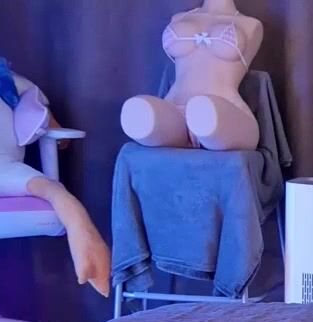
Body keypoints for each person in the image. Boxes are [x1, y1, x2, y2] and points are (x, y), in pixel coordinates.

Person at [0, 58, 109, 297]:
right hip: (7, 169)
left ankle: (86, 241)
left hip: (5, 166)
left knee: (55, 192)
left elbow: (53, 127)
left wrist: (51, 127)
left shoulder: (8, 81)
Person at [120, 0, 264, 151]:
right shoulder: (179, 18)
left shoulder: (251, 24)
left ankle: (204, 120)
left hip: (224, 110)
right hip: (174, 109)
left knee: (206, 111)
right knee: (138, 111)